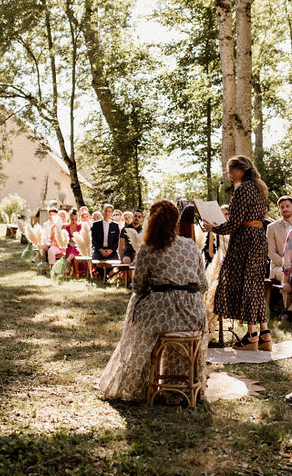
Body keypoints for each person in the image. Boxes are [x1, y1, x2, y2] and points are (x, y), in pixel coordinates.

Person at [98, 200, 208, 402]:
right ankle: (181, 383)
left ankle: (140, 382)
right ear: (175, 222)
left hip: (160, 312)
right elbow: (203, 284)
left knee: (138, 318)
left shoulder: (148, 249)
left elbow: (138, 286)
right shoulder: (191, 246)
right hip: (193, 314)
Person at [203, 155, 272, 351]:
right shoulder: (259, 188)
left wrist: (212, 228)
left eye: (230, 170)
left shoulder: (242, 190)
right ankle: (264, 335)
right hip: (258, 238)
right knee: (255, 286)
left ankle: (251, 337)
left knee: (246, 285)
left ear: (240, 169)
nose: (229, 175)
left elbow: (234, 224)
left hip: (245, 241)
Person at [267, 195, 292, 283]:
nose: (285, 209)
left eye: (287, 206)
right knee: (289, 275)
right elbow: (270, 252)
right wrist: (286, 264)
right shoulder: (272, 227)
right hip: (279, 267)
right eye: (282, 207)